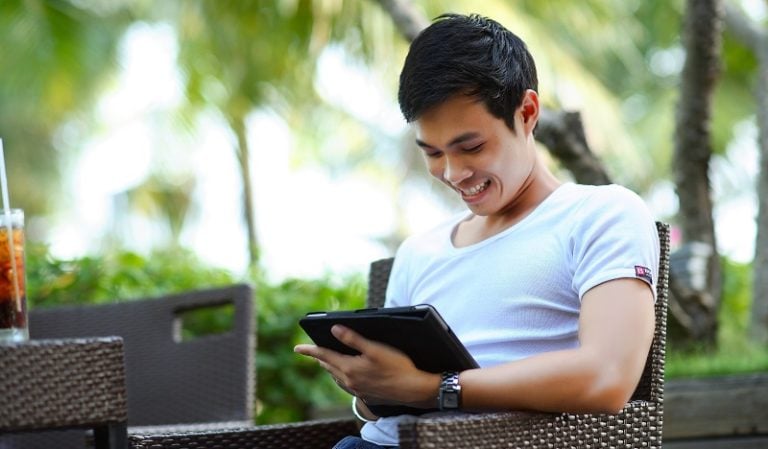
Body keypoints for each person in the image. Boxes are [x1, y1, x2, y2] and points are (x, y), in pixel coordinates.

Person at [295, 12, 659, 449]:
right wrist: (370, 385)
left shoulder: (600, 214)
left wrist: (433, 389)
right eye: (433, 153)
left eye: (471, 147)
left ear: (527, 113)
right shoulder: (419, 250)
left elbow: (608, 378)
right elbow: (382, 407)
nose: (453, 173)